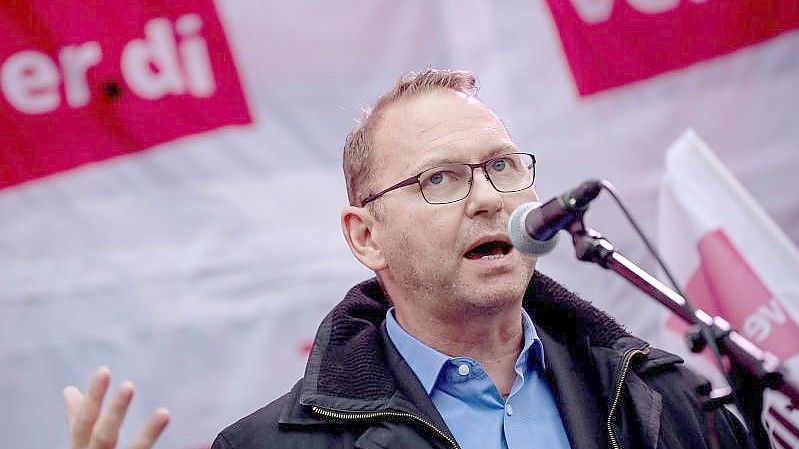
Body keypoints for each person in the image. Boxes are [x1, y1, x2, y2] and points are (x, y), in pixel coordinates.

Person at [64, 69, 751, 449]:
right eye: (440, 179)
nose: (486, 198)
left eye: (502, 167)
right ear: (366, 236)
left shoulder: (662, 398)